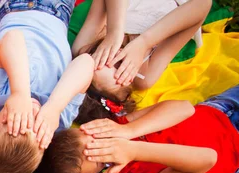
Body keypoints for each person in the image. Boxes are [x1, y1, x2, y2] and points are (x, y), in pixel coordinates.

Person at [37, 87, 239, 173]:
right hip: (234, 153)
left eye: (97, 139)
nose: (112, 146)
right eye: (103, 157)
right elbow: (208, 158)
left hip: (219, 110)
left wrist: (128, 129)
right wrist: (133, 150)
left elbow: (185, 108)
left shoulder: (118, 128)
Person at [0, 0, 94, 173]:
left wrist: (19, 93)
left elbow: (13, 37)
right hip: (59, 10)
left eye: (18, 119)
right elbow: (86, 62)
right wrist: (55, 107)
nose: (31, 113)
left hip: (14, 6)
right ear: (45, 139)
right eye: (35, 128)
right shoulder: (58, 119)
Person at [72, 0, 210, 112]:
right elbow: (203, 4)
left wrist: (114, 32)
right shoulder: (145, 76)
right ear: (128, 80)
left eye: (103, 58)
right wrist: (144, 43)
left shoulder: (85, 48)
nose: (116, 55)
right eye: (120, 66)